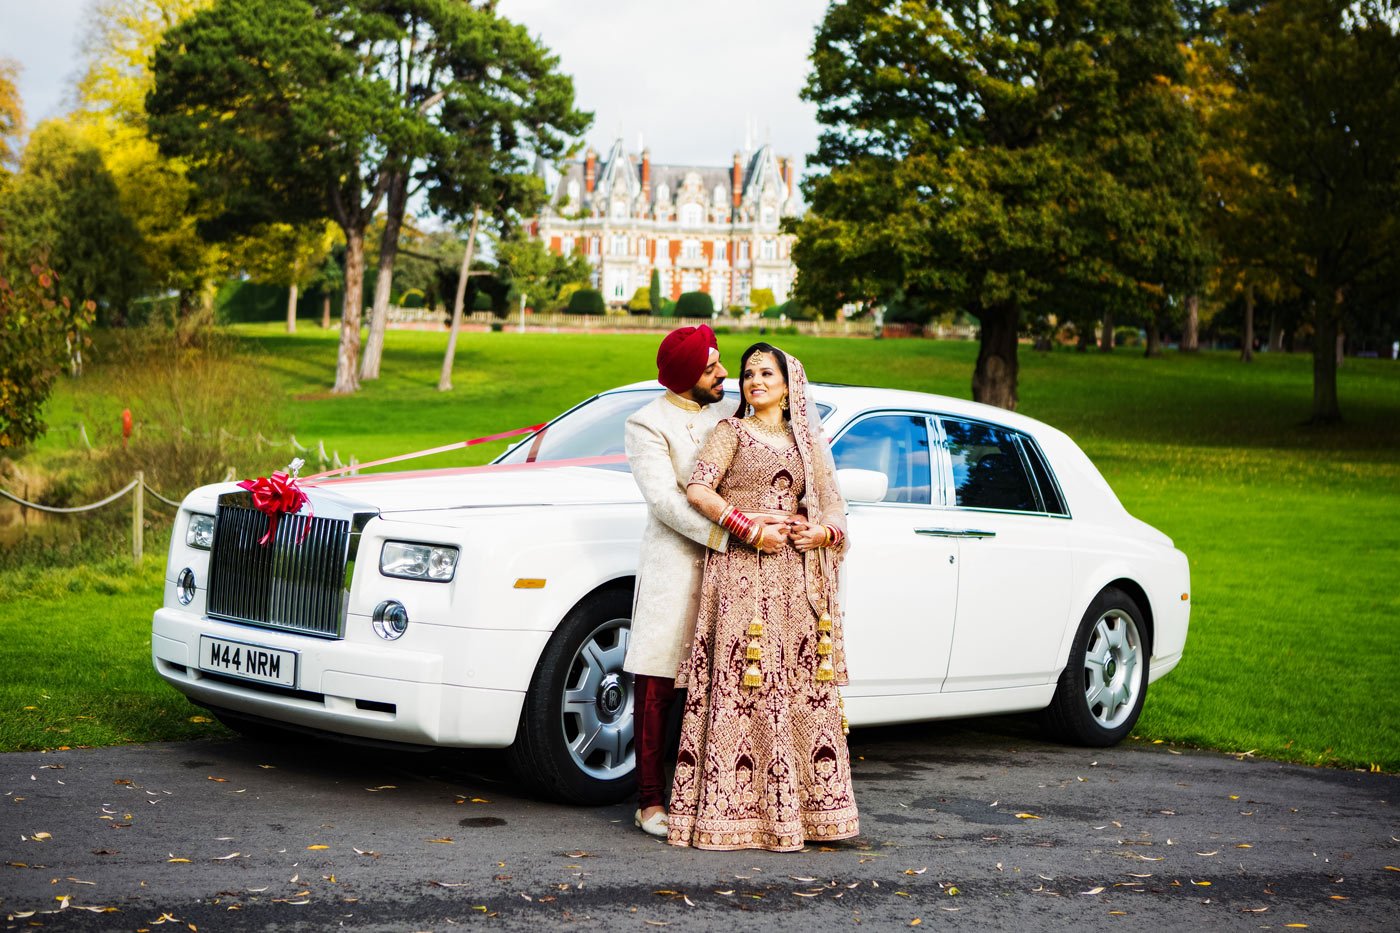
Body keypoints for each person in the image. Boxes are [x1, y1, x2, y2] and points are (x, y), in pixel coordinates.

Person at [667, 342, 858, 852]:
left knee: (795, 688)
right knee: (743, 685)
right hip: (742, 577)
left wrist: (822, 536)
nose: (754, 381)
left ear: (788, 383)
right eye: (749, 373)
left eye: (765, 373)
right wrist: (748, 528)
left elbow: (835, 509)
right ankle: (729, 815)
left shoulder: (807, 445)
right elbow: (699, 491)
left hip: (796, 581)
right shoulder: (730, 432)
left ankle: (803, 816)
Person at [623, 326, 788, 837]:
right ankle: (650, 801)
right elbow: (666, 501)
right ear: (683, 377)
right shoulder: (646, 423)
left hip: (739, 572)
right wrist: (735, 534)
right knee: (658, 684)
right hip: (679, 562)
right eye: (712, 367)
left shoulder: (730, 414)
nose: (725, 375)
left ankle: (709, 796)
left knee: (725, 682)